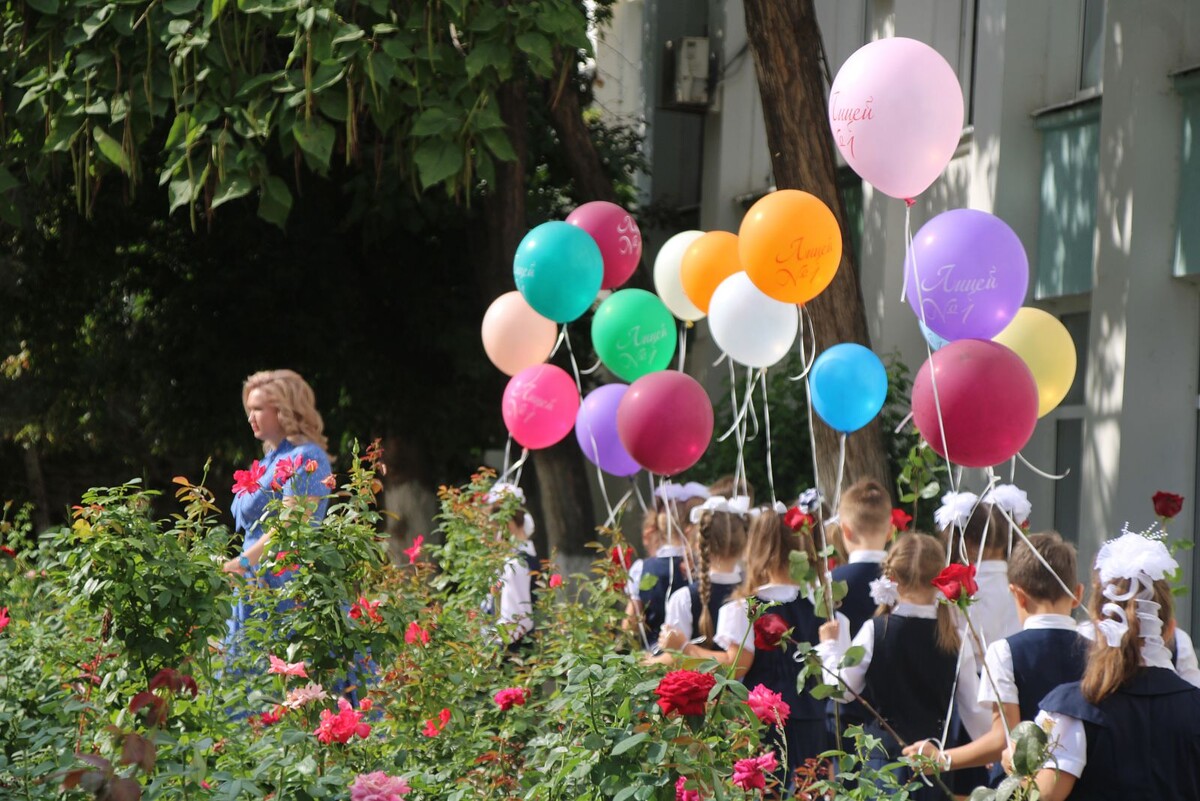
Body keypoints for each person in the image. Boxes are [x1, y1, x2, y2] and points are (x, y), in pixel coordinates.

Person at [672, 508, 848, 788]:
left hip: (762, 723)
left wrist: (684, 648)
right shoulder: (821, 606)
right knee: (809, 789)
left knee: (768, 790)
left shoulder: (744, 607)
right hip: (811, 719)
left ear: (755, 549)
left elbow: (735, 665)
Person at [818, 532, 991, 801]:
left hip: (883, 762)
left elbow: (842, 690)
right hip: (932, 762)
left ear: (893, 577)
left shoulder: (876, 630)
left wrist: (829, 648)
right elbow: (974, 710)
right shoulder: (956, 638)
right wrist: (987, 748)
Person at [904, 531, 1087, 786]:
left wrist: (942, 758)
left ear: (1017, 595)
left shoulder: (1005, 652)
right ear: (1077, 593)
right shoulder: (1097, 652)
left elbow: (1003, 739)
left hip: (1023, 787)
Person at [1028, 532, 1200, 801]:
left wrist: (1020, 768)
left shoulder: (1071, 710)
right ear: (1169, 630)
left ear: (1097, 622)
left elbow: (1044, 797)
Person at [223, 369, 332, 653]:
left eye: (258, 409)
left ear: (284, 410)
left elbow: (290, 527)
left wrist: (241, 563)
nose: (250, 418)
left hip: (286, 586)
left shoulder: (307, 457)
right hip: (253, 583)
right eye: (249, 410)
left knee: (284, 680)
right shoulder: (269, 460)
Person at [826, 479, 894, 746]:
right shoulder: (904, 579)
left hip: (846, 710)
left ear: (845, 530)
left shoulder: (832, 582)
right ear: (890, 531)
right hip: (895, 708)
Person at [652, 496, 748, 661]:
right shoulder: (754, 593)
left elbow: (674, 658)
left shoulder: (683, 599)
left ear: (698, 544)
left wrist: (649, 663)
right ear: (743, 543)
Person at [633, 481, 707, 647]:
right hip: (699, 655)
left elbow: (630, 624)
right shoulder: (703, 563)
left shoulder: (641, 569)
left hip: (654, 657)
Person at [483, 482, 539, 649]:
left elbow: (516, 621)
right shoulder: (519, 559)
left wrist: (484, 644)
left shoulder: (516, 565)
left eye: (493, 529)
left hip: (511, 659)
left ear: (506, 524)